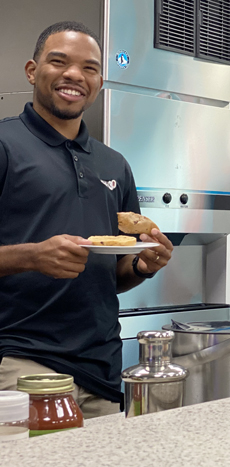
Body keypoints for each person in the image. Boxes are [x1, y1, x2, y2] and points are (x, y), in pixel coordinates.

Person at [0, 21, 173, 418]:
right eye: (59, 61)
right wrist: (31, 256)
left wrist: (143, 266)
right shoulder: (6, 146)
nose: (74, 75)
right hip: (22, 363)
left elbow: (115, 272)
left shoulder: (115, 164)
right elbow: (30, 257)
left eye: (89, 68)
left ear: (98, 81)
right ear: (32, 70)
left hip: (102, 368)